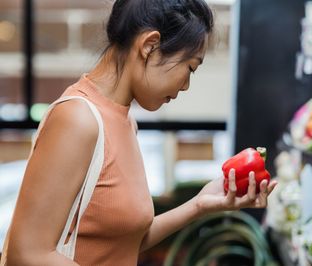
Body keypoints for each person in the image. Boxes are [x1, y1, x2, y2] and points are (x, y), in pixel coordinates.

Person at [5, 0, 277, 265]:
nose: (185, 86)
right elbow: (27, 254)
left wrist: (199, 205)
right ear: (150, 46)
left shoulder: (124, 120)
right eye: (190, 67)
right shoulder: (78, 118)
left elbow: (123, 241)